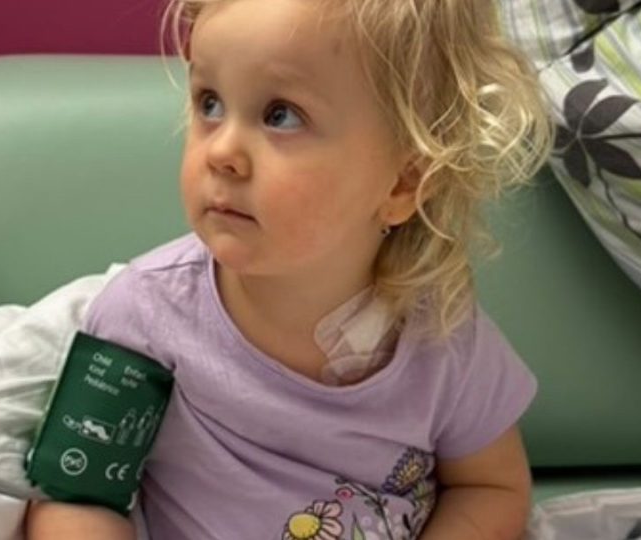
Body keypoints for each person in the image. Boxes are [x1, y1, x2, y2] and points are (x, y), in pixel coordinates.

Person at [27, 0, 552, 537]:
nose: (222, 151)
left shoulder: (443, 337)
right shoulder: (142, 316)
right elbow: (76, 497)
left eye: (281, 115)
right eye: (210, 104)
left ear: (402, 183)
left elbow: (489, 487)